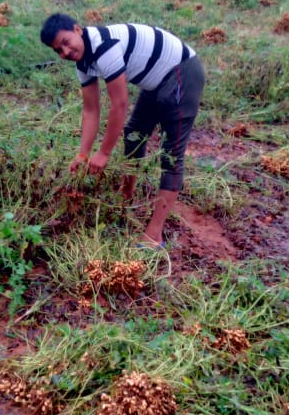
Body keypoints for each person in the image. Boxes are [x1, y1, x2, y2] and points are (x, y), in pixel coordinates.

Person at [40, 13, 205, 247]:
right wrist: (83, 153)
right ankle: (126, 193)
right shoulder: (82, 62)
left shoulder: (104, 47)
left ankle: (154, 234)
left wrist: (104, 153)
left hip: (182, 72)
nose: (65, 52)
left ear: (77, 29)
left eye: (65, 42)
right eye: (58, 50)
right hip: (154, 81)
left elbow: (119, 104)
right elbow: (90, 110)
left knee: (171, 156)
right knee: (134, 133)